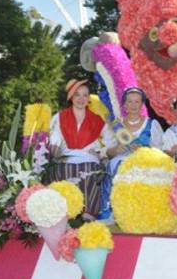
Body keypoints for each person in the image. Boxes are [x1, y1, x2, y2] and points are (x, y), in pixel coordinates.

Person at [48, 79, 111, 219]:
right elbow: (55, 141)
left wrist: (101, 152)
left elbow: (110, 142)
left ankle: (88, 215)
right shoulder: (59, 117)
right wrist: (53, 150)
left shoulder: (97, 119)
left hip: (90, 158)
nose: (81, 99)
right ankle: (64, 214)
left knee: (91, 172)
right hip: (66, 159)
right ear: (71, 97)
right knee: (59, 172)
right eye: (77, 94)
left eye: (85, 95)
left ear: (89, 98)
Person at [99, 87, 164, 220]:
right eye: (130, 102)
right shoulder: (115, 125)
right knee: (116, 164)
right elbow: (107, 152)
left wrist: (145, 149)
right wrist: (116, 150)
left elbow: (160, 151)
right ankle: (113, 212)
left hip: (145, 160)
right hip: (119, 161)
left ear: (142, 104)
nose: (133, 105)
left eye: (137, 102)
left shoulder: (152, 124)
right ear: (124, 104)